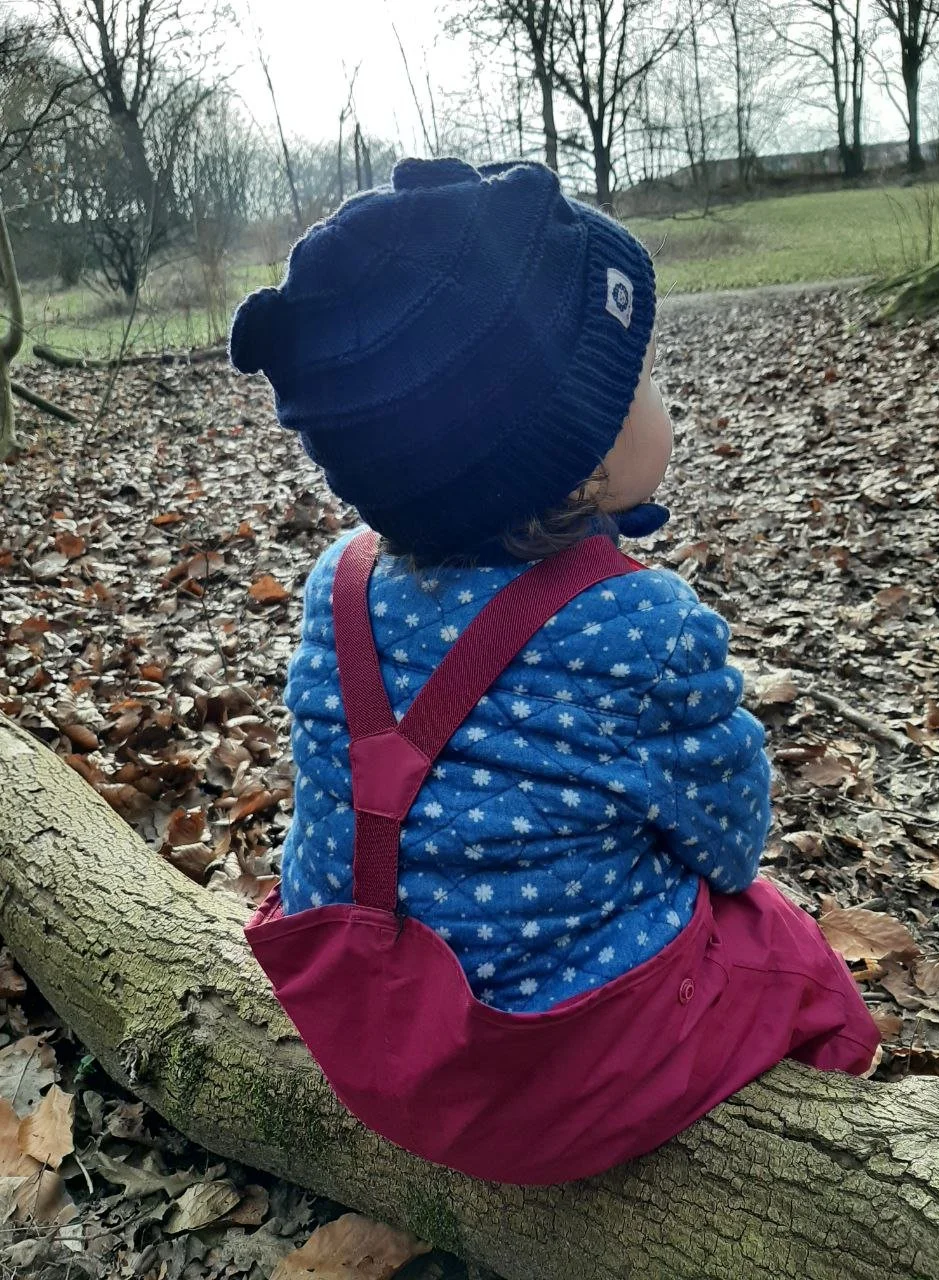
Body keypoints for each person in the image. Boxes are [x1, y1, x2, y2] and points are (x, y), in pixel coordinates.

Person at [230, 157, 880, 1186]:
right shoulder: (643, 624)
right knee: (787, 944)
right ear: (577, 461)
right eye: (644, 381)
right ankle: (832, 1159)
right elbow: (728, 839)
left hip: (365, 1031)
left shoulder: (338, 580)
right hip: (544, 1078)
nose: (663, 400)